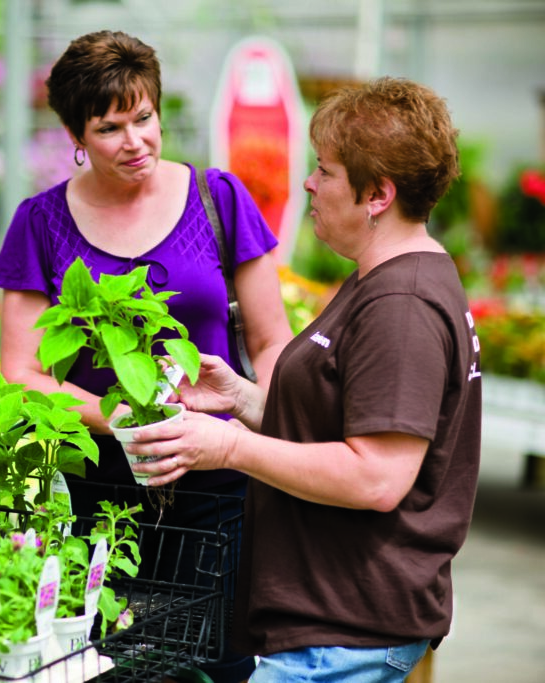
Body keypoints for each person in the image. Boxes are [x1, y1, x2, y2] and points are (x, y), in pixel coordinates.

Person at [127, 76, 481, 682]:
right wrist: (241, 401)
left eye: (327, 170)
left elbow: (377, 476)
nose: (310, 183)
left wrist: (230, 448)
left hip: (346, 634)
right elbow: (344, 427)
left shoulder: (403, 304)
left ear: (377, 194)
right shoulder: (383, 277)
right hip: (336, 626)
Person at [0, 30, 292, 683]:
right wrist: (120, 413)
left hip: (219, 481)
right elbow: (21, 371)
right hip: (98, 490)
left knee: (221, 661)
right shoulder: (41, 223)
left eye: (144, 117)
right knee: (105, 662)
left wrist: (267, 418)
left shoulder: (218, 199)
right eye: (109, 127)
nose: (135, 141)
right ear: (75, 134)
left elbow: (272, 341)